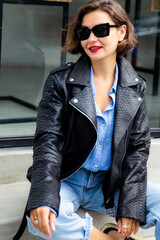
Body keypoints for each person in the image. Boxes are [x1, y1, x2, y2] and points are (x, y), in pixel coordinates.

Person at [26, 0, 160, 240]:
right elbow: (48, 142)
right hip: (66, 181)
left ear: (122, 32)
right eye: (84, 32)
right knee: (39, 222)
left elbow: (138, 149)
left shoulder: (135, 86)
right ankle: (108, 237)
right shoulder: (60, 81)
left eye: (100, 30)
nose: (91, 39)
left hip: (108, 185)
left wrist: (130, 206)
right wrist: (43, 197)